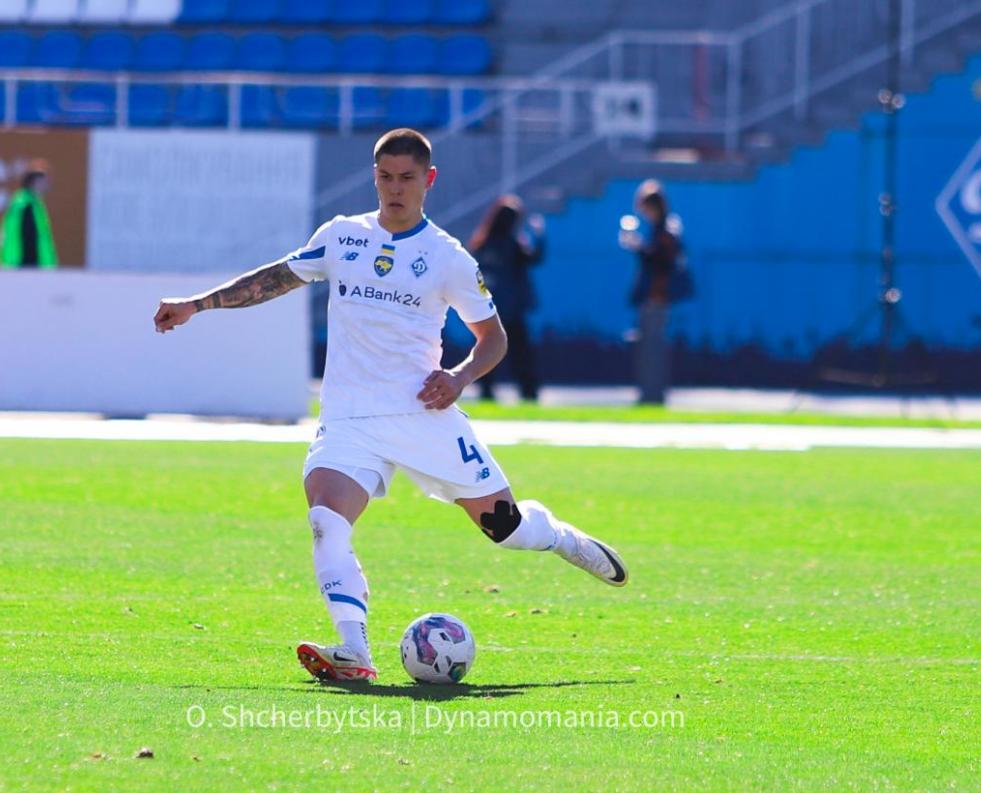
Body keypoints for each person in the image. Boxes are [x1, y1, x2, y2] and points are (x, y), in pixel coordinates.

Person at [153, 129, 627, 684]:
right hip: (349, 418)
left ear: (429, 180)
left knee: (505, 528)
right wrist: (197, 304)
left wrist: (459, 377)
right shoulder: (341, 237)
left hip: (421, 414)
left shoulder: (447, 257)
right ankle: (353, 650)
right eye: (384, 177)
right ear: (373, 177)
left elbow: (494, 339)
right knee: (326, 518)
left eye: (406, 178)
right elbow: (276, 277)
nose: (394, 189)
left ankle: (558, 536)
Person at [468, 195, 545, 401]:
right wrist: (539, 236)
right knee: (520, 352)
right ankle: (528, 390)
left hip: (489, 307)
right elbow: (534, 258)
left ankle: (486, 389)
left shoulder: (482, 243)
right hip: (512, 308)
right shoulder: (513, 244)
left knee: (486, 348)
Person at [619, 180, 689, 405]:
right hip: (654, 296)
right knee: (648, 347)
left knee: (653, 348)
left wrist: (638, 247)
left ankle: (653, 394)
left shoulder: (666, 230)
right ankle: (649, 392)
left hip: (657, 296)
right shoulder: (662, 228)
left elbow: (660, 262)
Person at [0, 160, 58, 269]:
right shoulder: (24, 204)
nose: (46, 184)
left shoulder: (35, 204)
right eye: (43, 181)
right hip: (22, 264)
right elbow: (26, 236)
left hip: (33, 264)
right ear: (33, 182)